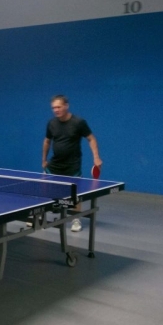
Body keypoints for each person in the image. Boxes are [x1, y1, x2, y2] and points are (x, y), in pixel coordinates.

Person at [42, 95, 103, 232]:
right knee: (45, 191)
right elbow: (47, 141)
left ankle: (75, 219)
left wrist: (96, 157)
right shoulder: (51, 123)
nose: (56, 110)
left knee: (75, 194)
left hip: (72, 165)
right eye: (53, 108)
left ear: (66, 106)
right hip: (54, 165)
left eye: (58, 107)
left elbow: (91, 139)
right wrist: (44, 160)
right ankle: (41, 217)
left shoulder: (78, 122)